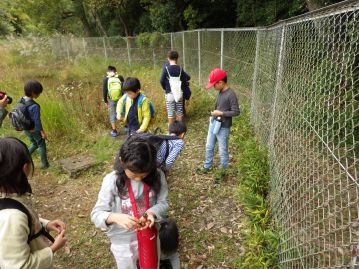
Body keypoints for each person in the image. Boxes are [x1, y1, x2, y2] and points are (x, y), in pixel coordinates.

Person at [91, 136, 169, 269]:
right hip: (123, 241)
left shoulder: (157, 175)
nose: (138, 179)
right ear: (122, 162)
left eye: (143, 175)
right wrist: (114, 217)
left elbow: (164, 203)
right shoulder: (112, 180)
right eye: (133, 175)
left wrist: (152, 213)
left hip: (149, 234)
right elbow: (96, 214)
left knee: (151, 265)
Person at [0, 137, 67, 268]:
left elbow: (25, 221)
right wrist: (52, 249)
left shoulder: (10, 197)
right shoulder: (12, 218)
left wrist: (46, 224)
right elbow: (20, 266)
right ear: (25, 168)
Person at [197, 68, 240, 182]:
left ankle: (223, 172)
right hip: (215, 123)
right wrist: (214, 115)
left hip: (224, 127)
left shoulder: (231, 94)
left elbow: (236, 112)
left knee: (223, 150)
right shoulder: (221, 91)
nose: (213, 87)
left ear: (221, 82)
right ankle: (207, 166)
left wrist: (221, 113)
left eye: (214, 85)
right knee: (209, 145)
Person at [22, 80, 50, 169]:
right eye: (38, 93)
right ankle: (45, 165)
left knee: (34, 143)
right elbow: (37, 121)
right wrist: (42, 132)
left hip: (25, 127)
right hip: (33, 128)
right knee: (41, 144)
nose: (39, 95)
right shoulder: (35, 106)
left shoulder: (21, 99)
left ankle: (22, 159)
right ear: (33, 93)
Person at [160, 51, 191, 125]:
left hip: (170, 94)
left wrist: (166, 89)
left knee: (170, 113)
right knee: (180, 112)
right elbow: (184, 80)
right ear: (177, 58)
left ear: (168, 58)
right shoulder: (180, 68)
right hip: (179, 93)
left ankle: (171, 131)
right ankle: (180, 129)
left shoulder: (166, 68)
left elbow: (161, 80)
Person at [103, 65, 124, 137]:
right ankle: (126, 127)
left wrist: (105, 101)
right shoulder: (120, 77)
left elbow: (104, 91)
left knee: (112, 114)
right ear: (116, 72)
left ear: (107, 72)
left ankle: (114, 131)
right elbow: (124, 88)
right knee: (122, 112)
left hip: (111, 100)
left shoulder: (106, 79)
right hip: (121, 98)